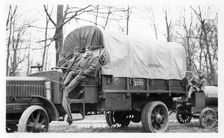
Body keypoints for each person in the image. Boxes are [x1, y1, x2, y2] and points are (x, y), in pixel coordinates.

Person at [62, 47, 100, 125]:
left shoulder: (95, 58)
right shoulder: (85, 58)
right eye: (87, 50)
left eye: (89, 50)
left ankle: (67, 88)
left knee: (78, 77)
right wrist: (78, 71)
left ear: (92, 51)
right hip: (84, 75)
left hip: (91, 77)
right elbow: (81, 67)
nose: (88, 52)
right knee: (72, 73)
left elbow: (92, 69)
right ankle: (64, 84)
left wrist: (83, 72)